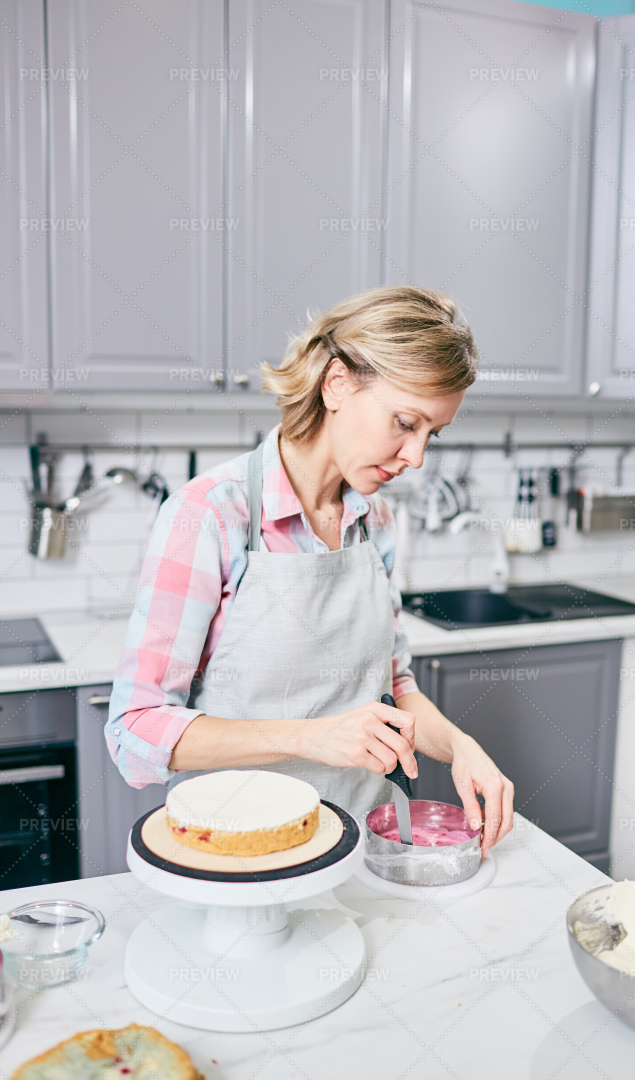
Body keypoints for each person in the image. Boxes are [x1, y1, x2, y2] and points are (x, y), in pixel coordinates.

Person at [105, 286, 514, 854]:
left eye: (431, 434)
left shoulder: (378, 521)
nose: (416, 456)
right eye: (404, 422)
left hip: (362, 848)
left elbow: (391, 688)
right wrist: (310, 738)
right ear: (337, 383)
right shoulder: (211, 515)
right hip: (239, 854)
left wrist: (462, 746)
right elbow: (135, 731)